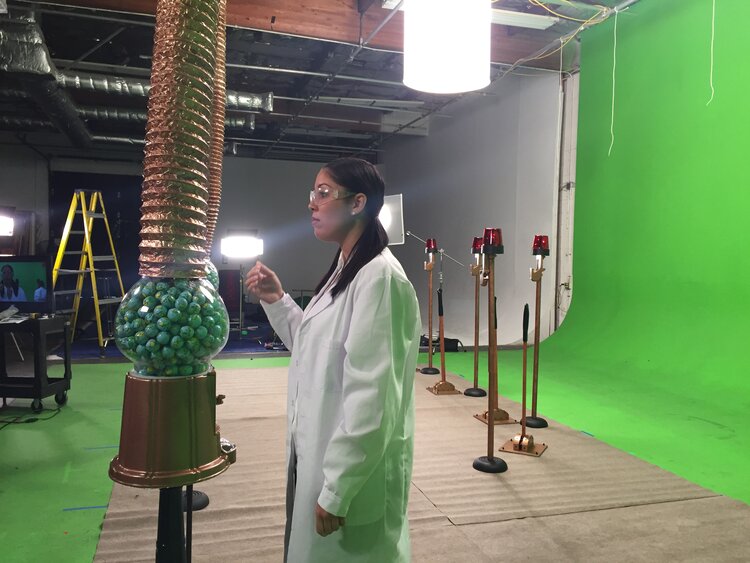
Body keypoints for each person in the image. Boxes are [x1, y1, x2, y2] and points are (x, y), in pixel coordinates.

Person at [245, 158, 421, 563]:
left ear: (358, 203)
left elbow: (373, 397)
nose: (312, 204)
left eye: (323, 194)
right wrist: (277, 300)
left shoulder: (379, 278)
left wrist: (339, 487)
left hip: (353, 476)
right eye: (313, 194)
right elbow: (315, 350)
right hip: (319, 454)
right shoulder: (346, 269)